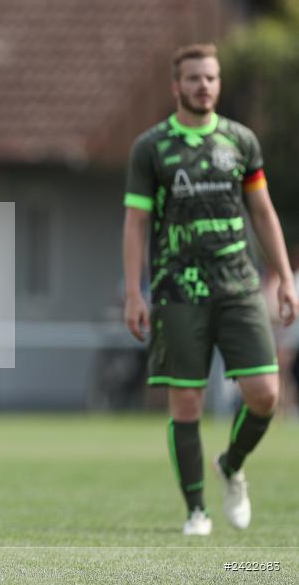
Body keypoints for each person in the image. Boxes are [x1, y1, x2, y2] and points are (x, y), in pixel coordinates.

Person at [122, 43, 298, 536]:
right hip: (178, 289)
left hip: (238, 285)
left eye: (212, 78)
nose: (204, 86)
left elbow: (262, 211)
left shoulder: (240, 142)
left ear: (219, 84)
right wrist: (135, 293)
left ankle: (232, 462)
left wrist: (284, 276)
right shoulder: (151, 148)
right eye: (195, 78)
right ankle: (196, 510)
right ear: (176, 86)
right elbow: (135, 221)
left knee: (265, 394)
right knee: (188, 403)